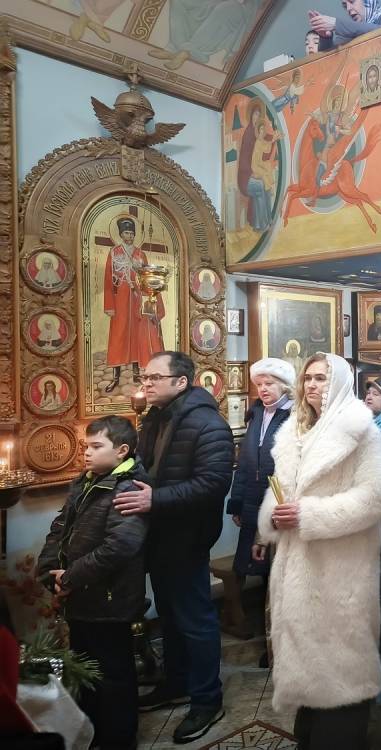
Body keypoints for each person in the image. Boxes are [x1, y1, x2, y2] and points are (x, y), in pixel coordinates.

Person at [255, 353, 381, 748]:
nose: (311, 385)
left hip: (340, 567)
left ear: (340, 383)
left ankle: (340, 737)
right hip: (298, 563)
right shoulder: (294, 430)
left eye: (321, 378)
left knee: (342, 659)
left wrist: (309, 515)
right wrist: (274, 515)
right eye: (308, 378)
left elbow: (375, 498)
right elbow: (280, 491)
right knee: (308, 654)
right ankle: (311, 731)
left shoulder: (360, 431)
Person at [116, 351, 235, 742]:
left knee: (195, 621)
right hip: (159, 536)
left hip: (187, 537)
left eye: (154, 377)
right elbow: (148, 468)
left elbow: (213, 484)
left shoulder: (208, 424)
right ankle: (178, 683)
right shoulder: (156, 418)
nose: (146, 383)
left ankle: (207, 700)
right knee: (169, 615)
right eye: (144, 376)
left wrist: (155, 499)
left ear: (181, 382)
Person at [37, 416, 149, 750]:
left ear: (122, 451)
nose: (86, 452)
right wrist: (49, 570)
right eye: (86, 445)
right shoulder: (86, 481)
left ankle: (119, 737)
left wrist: (71, 577)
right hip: (81, 597)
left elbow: (120, 546)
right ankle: (94, 729)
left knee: (113, 670)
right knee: (86, 667)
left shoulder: (128, 488)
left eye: (96, 446)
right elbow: (61, 526)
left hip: (109, 598)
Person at [226, 358, 296, 667]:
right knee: (265, 573)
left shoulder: (294, 416)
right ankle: (271, 639)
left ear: (285, 386)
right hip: (254, 503)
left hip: (279, 502)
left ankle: (284, 646)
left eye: (270, 383)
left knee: (283, 575)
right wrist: (237, 502)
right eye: (259, 384)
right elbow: (245, 464)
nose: (263, 389)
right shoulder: (256, 414)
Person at [103, 216, 165, 393]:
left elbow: (147, 277)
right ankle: (116, 376)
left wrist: (148, 297)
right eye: (126, 233)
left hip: (138, 298)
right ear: (121, 234)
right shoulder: (114, 252)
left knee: (137, 335)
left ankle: (137, 373)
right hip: (121, 298)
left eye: (131, 233)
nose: (129, 236)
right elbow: (108, 279)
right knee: (118, 336)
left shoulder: (140, 254)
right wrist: (110, 306)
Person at [309, 0, 381, 52]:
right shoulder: (348, 34)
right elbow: (328, 60)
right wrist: (325, 38)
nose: (348, 9)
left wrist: (336, 24)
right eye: (345, 5)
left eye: (352, 1)